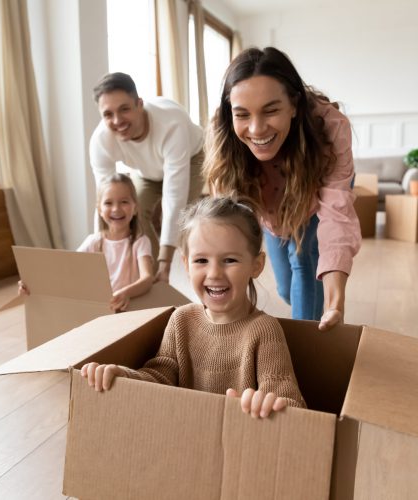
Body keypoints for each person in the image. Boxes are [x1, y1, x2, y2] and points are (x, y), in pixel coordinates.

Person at [81, 196, 306, 418]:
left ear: (256, 266)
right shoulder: (181, 320)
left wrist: (269, 404)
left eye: (229, 260)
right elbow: (160, 377)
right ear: (186, 264)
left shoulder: (264, 331)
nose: (214, 273)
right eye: (201, 261)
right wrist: (124, 376)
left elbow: (291, 402)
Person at [203, 47, 361, 330]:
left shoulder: (331, 128)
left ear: (294, 105)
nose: (257, 129)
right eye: (242, 114)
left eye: (271, 111)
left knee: (303, 261)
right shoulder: (223, 132)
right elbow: (223, 219)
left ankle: (306, 345)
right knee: (287, 289)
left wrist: (335, 303)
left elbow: (337, 218)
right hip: (270, 208)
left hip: (315, 196)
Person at [89, 72, 204, 283]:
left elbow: (174, 195)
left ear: (139, 104)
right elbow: (103, 201)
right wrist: (99, 253)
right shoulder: (100, 141)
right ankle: (147, 275)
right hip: (146, 170)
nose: (117, 120)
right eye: (108, 114)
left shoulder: (171, 123)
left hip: (191, 158)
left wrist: (166, 262)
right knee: (134, 210)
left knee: (182, 218)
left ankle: (174, 271)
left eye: (124, 109)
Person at [19, 174, 153, 312]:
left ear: (135, 207)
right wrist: (33, 284)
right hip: (98, 310)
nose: (116, 209)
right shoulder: (93, 242)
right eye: (108, 203)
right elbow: (65, 268)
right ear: (100, 210)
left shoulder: (140, 242)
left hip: (129, 311)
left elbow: (147, 278)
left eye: (124, 202)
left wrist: (125, 293)